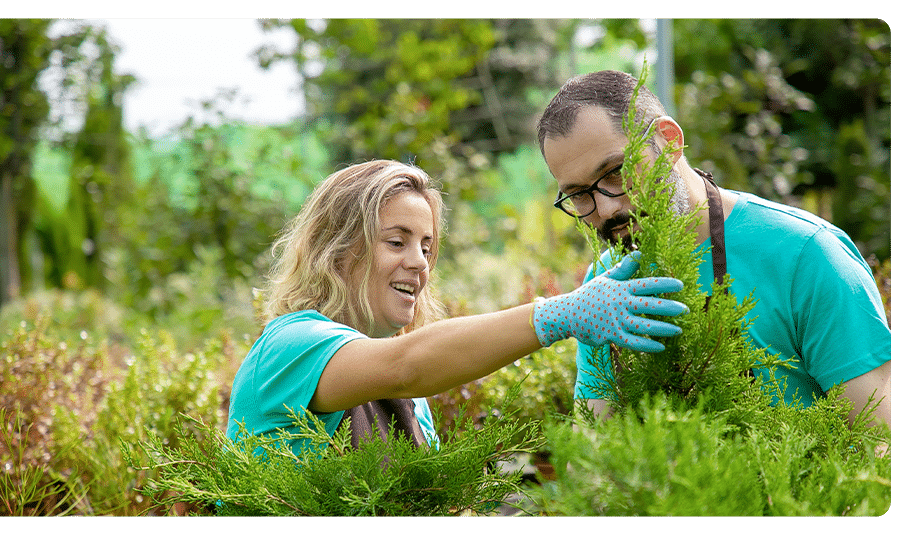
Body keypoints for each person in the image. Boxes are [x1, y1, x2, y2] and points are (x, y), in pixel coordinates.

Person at [225, 159, 690, 453]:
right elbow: (405, 364)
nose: (419, 263)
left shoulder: (410, 401)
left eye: (427, 247)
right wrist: (557, 314)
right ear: (338, 249)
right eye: (396, 241)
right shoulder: (288, 348)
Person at [536, 70, 891, 429]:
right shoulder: (605, 284)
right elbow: (598, 438)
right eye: (579, 194)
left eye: (617, 171)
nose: (608, 209)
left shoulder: (806, 255)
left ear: (669, 141)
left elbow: (880, 442)